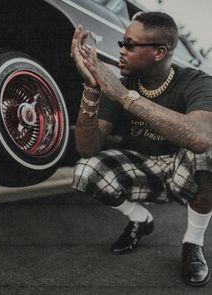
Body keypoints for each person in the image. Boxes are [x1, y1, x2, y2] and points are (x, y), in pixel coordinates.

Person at [70, 11, 212, 287]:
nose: (120, 51)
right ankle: (141, 220)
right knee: (86, 169)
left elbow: (201, 137)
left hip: (180, 171)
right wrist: (91, 89)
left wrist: (126, 99)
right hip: (142, 170)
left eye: (130, 45)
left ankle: (192, 244)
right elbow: (87, 148)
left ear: (159, 52)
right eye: (122, 43)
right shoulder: (119, 86)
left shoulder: (197, 82)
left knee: (208, 153)